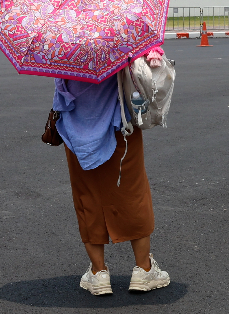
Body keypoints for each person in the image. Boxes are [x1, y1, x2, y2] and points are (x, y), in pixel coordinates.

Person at [52, 53, 171, 297]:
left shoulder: (62, 46)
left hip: (76, 132)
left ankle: (98, 274)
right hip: (120, 127)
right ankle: (143, 269)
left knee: (87, 198)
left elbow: (61, 95)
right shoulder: (117, 40)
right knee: (132, 193)